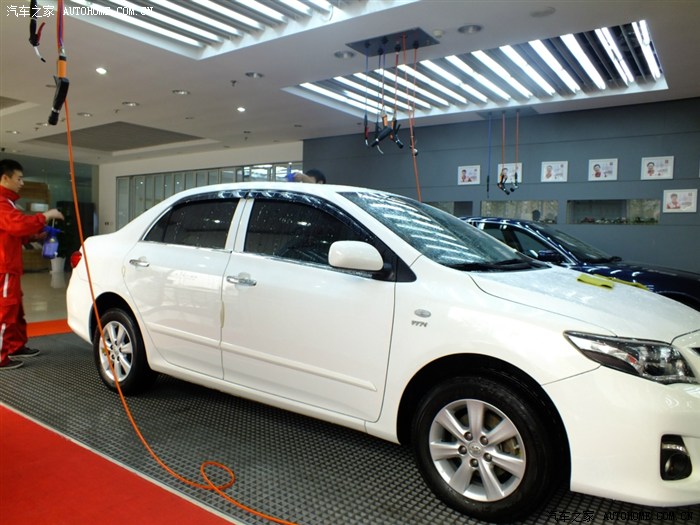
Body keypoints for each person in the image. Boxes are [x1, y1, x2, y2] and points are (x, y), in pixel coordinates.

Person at [0, 159, 65, 370]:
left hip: (10, 266)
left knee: (15, 309)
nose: (22, 183)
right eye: (18, 178)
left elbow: (13, 233)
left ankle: (15, 346)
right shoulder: (1, 202)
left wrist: (36, 235)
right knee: (5, 311)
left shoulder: (8, 203)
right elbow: (17, 225)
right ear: (5, 178)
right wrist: (46, 215)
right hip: (4, 266)